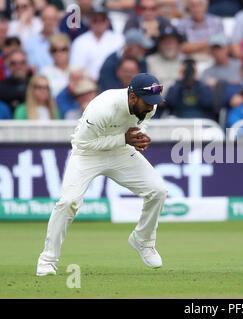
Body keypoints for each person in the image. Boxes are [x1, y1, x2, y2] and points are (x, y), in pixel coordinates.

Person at [36, 73, 168, 276]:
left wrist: (138, 137)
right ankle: (47, 260)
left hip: (121, 151)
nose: (151, 107)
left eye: (153, 103)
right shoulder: (103, 107)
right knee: (68, 202)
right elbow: (83, 143)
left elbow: (140, 124)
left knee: (158, 191)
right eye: (147, 103)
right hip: (88, 154)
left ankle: (143, 241)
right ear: (132, 98)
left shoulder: (151, 105)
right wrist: (123, 139)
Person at [70, 7, 125, 81]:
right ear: (90, 22)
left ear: (107, 22)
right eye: (95, 20)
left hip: (114, 82)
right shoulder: (79, 42)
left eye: (102, 20)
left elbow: (122, 64)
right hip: (88, 84)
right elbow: (76, 68)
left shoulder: (119, 39)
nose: (99, 23)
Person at [98, 28, 150, 92]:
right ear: (130, 48)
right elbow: (110, 90)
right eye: (141, 48)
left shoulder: (141, 60)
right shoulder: (110, 64)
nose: (144, 51)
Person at [176, 0, 223, 71]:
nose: (196, 9)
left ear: (206, 6)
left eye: (199, 5)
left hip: (213, 61)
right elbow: (182, 48)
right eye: (193, 6)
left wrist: (192, 47)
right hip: (190, 62)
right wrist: (208, 42)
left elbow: (221, 47)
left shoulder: (216, 21)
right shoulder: (182, 24)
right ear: (189, 7)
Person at [145, 24, 183, 97]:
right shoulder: (149, 61)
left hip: (181, 104)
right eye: (165, 42)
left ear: (178, 45)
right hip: (158, 104)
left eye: (171, 42)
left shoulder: (186, 61)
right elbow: (147, 88)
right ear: (159, 45)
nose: (168, 46)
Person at [22, 4, 59, 73]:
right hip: (37, 81)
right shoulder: (30, 43)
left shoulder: (63, 41)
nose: (49, 22)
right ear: (41, 19)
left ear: (57, 20)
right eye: (46, 18)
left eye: (52, 19)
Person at [0, 48, 32, 114]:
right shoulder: (1, 87)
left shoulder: (36, 85)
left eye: (22, 62)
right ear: (8, 65)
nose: (18, 66)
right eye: (13, 63)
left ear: (27, 64)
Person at [39, 33, 72, 98]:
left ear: (69, 50)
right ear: (50, 52)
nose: (59, 53)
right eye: (54, 50)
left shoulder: (78, 70)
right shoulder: (45, 72)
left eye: (63, 49)